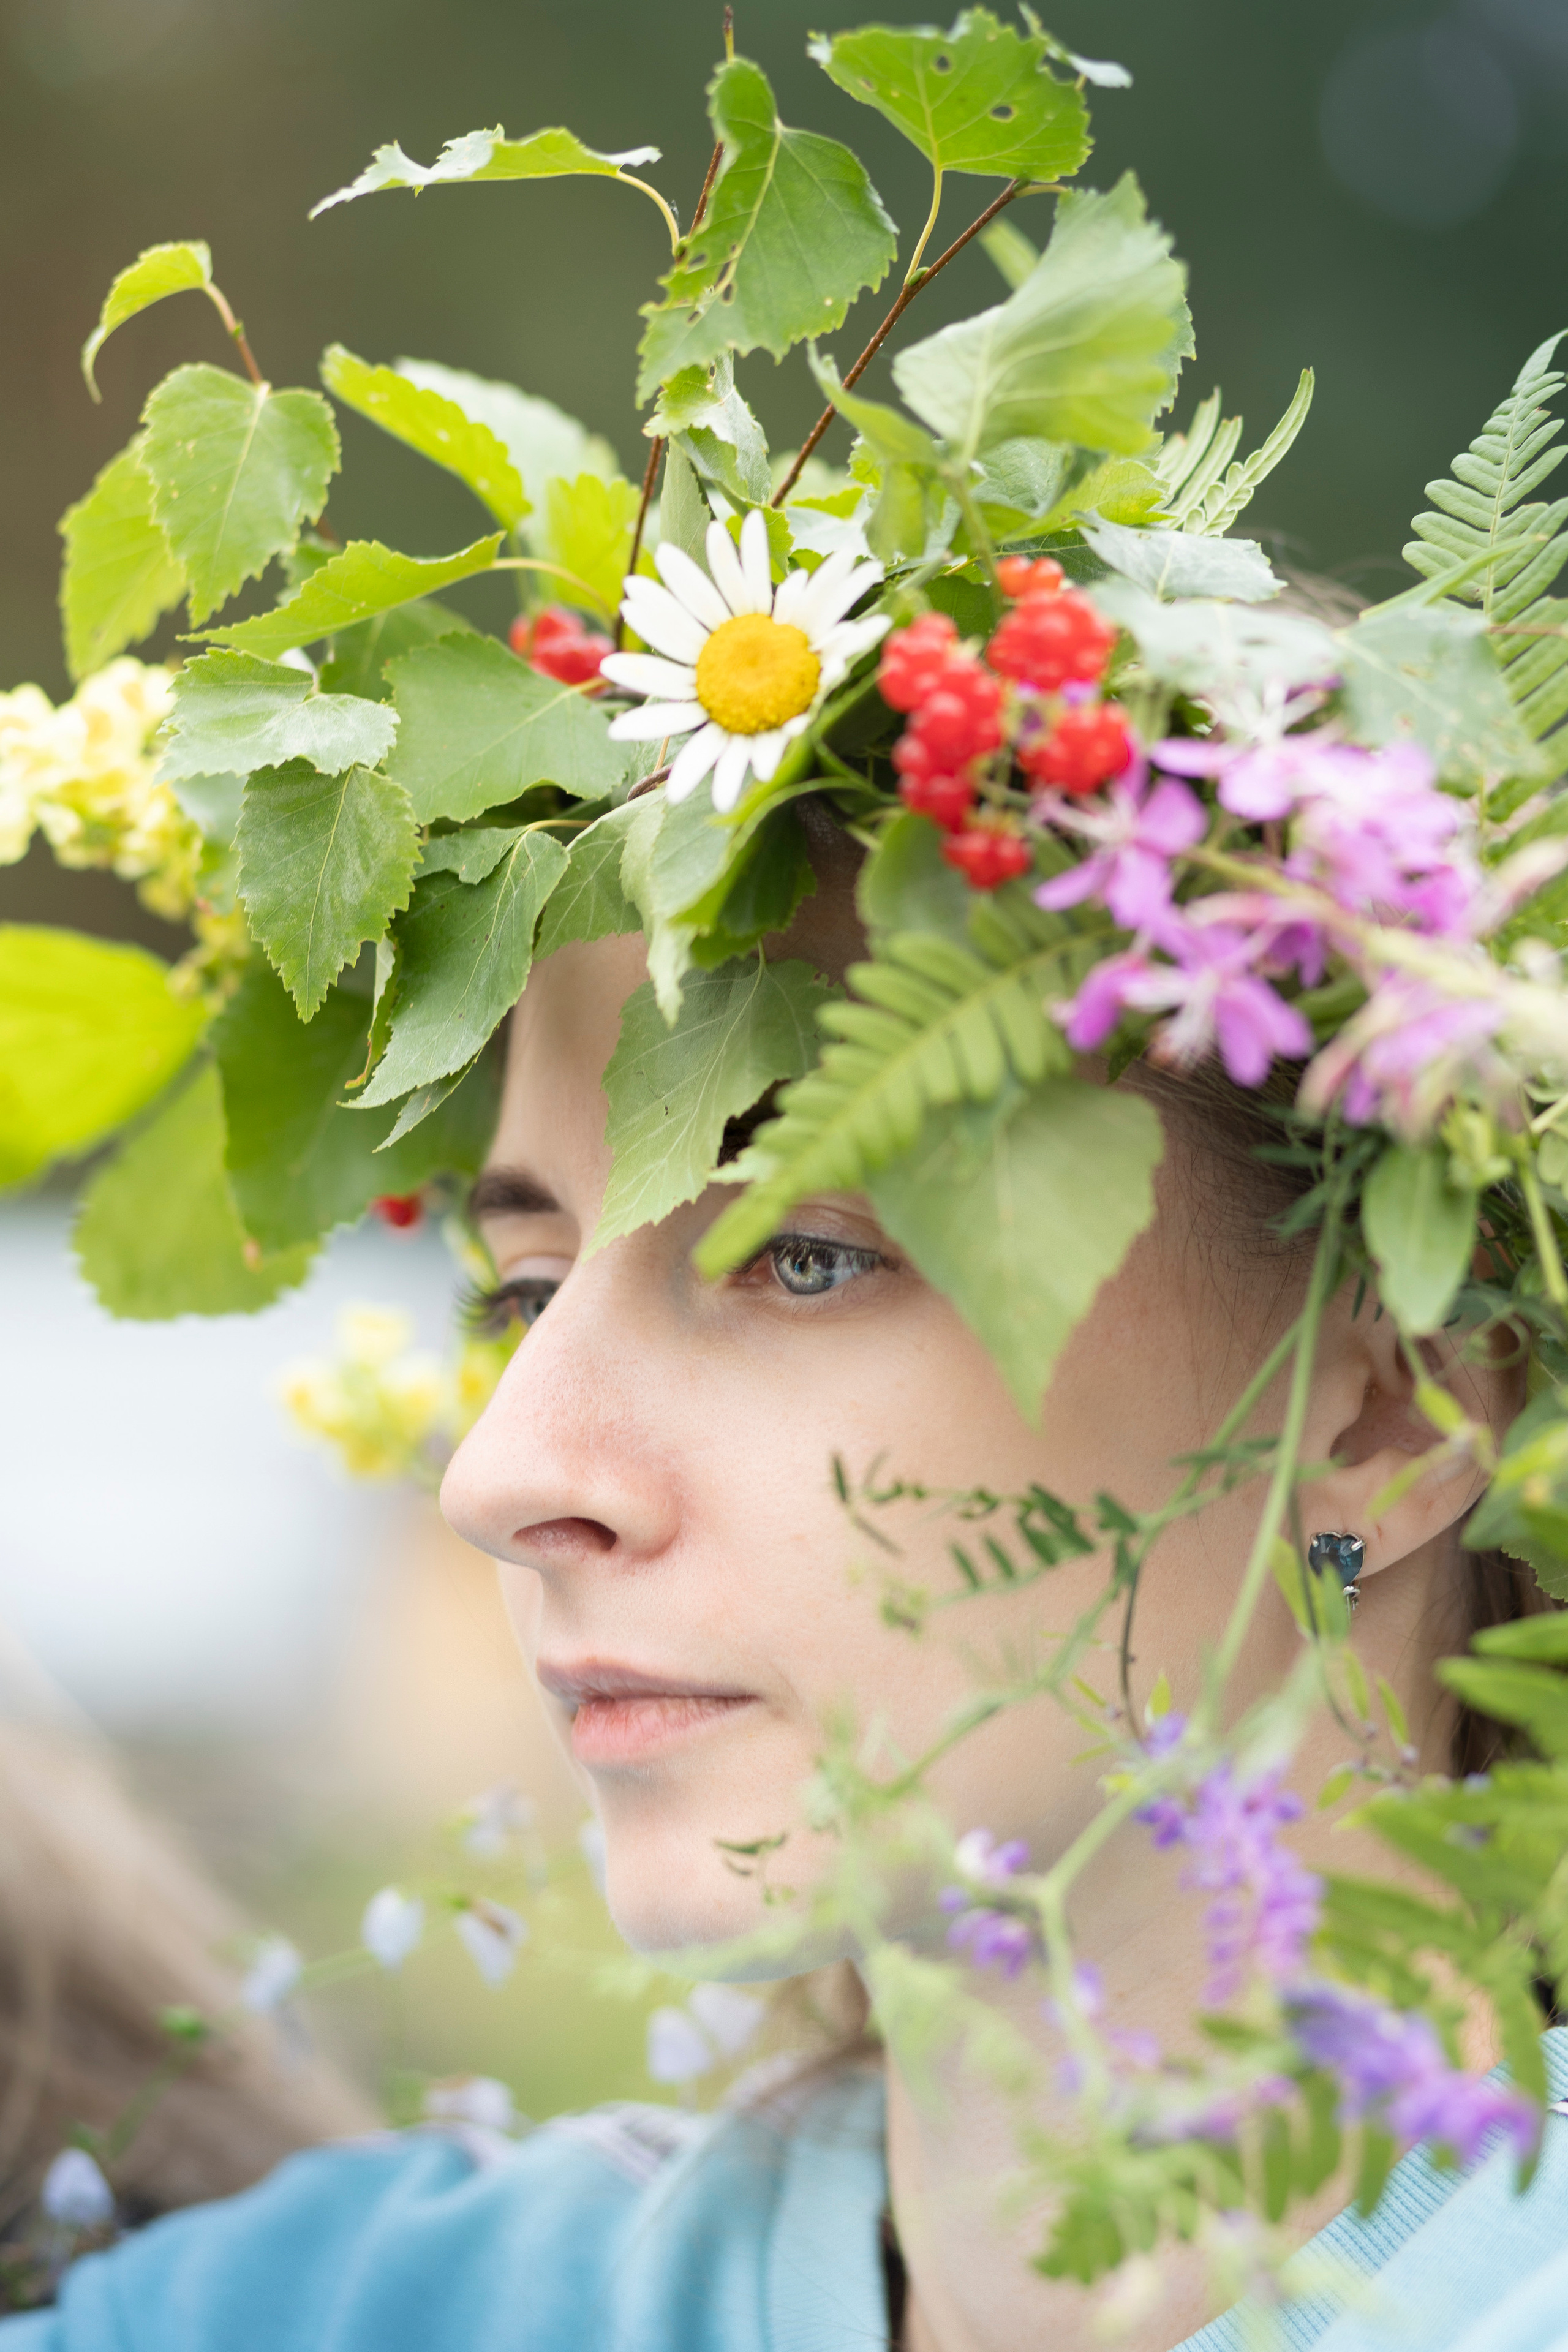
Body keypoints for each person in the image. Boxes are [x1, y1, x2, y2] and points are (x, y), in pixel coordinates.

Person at [5, 815, 1566, 2352]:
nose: (499, 1476)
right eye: (527, 1292)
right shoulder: (317, 2318)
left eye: (802, 1256)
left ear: (1382, 1413)